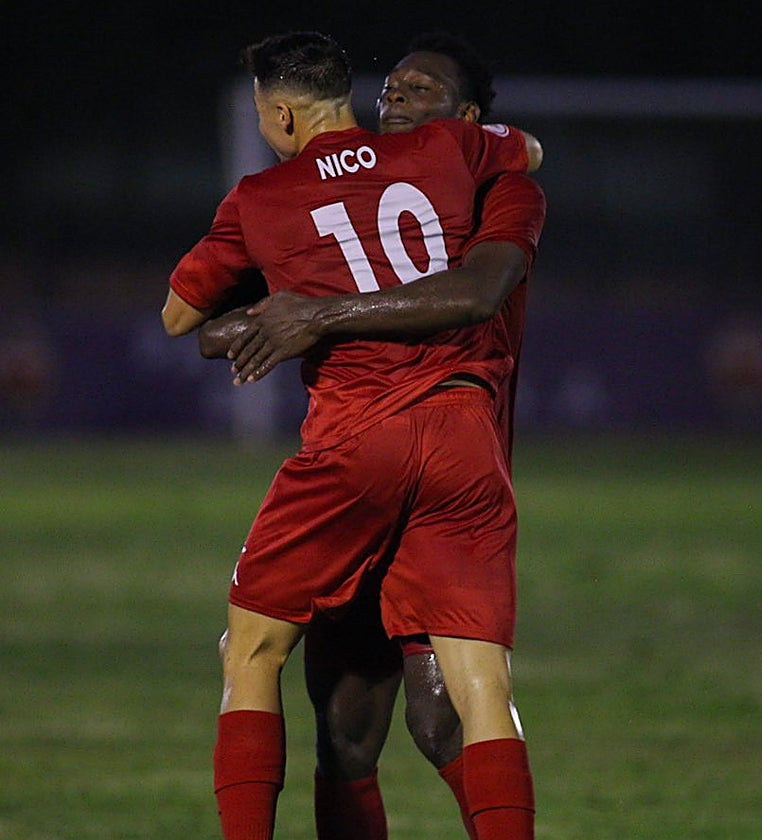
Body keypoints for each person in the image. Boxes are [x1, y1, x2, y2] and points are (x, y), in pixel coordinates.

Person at [160, 30, 542, 840]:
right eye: (391, 88)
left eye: (422, 92)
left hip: (359, 449)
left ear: (282, 115)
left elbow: (179, 314)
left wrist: (304, 313)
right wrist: (260, 321)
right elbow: (524, 148)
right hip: (461, 447)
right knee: (381, 720)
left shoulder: (269, 198)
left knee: (256, 651)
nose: (400, 99)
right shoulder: (456, 155)